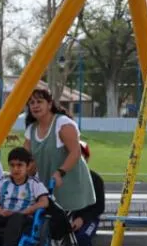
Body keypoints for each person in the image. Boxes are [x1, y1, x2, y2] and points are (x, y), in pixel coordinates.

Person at [25, 85, 95, 215]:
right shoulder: (31, 130)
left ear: (50, 104)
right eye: (31, 103)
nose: (35, 105)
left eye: (39, 102)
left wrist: (59, 172)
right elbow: (26, 160)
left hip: (70, 185)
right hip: (47, 187)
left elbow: (76, 152)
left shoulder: (62, 123)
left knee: (60, 227)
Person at [68, 141, 105, 246]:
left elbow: (99, 207)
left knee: (82, 237)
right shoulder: (65, 178)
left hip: (89, 219)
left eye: (82, 155)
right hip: (69, 217)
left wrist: (82, 218)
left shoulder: (95, 179)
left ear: (87, 158)